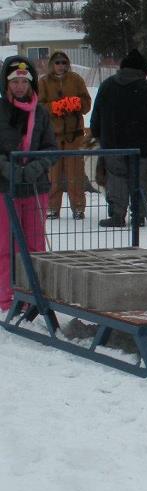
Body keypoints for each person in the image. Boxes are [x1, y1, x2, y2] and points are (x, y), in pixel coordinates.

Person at [0, 56, 58, 310]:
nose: (20, 86)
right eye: (15, 82)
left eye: (24, 81)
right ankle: (7, 295)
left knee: (35, 246)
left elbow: (51, 148)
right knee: (6, 245)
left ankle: (34, 295)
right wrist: (9, 168)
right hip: (5, 187)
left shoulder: (41, 112)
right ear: (6, 84)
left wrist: (36, 166)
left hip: (35, 187)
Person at [90, 49, 147, 227]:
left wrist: (98, 134)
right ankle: (139, 216)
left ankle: (117, 215)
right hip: (141, 147)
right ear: (142, 71)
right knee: (139, 180)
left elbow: (96, 115)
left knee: (116, 179)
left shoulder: (107, 86)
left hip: (113, 144)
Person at [39, 50, 92, 220]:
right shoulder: (44, 82)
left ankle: (78, 207)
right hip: (53, 136)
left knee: (75, 174)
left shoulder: (76, 80)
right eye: (57, 62)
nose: (61, 65)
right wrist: (57, 107)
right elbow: (39, 107)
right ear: (51, 65)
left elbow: (87, 104)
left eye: (63, 62)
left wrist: (76, 103)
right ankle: (52, 207)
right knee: (53, 174)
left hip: (74, 135)